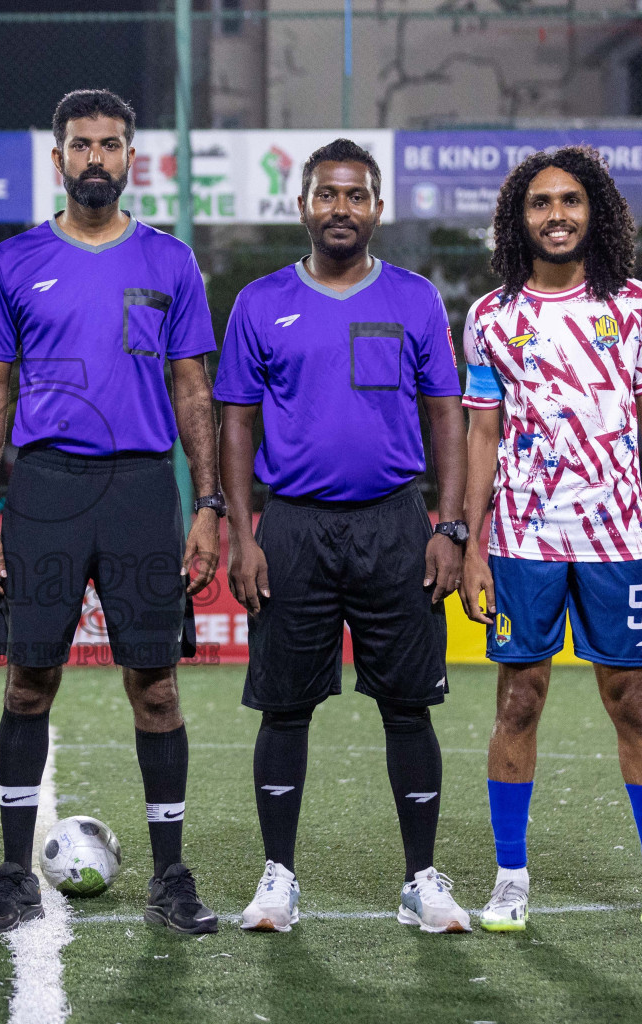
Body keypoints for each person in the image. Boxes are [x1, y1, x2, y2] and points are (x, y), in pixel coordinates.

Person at [0, 89, 222, 935]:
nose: (97, 159)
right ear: (58, 159)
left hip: (144, 490)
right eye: (82, 145)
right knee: (28, 680)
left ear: (129, 158)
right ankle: (10, 875)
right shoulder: (14, 260)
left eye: (111, 145)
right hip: (43, 491)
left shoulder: (171, 262)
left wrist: (208, 502)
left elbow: (194, 389)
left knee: (156, 686)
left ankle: (173, 876)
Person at [215, 139, 472, 935]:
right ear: (302, 205)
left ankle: (421, 879)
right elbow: (236, 422)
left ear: (377, 209)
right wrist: (242, 531)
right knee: (284, 710)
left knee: (408, 708)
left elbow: (446, 418)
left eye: (356, 196)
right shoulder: (260, 302)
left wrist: (451, 526)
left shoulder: (416, 298)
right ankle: (278, 879)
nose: (341, 209)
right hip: (291, 526)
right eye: (327, 195)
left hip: (397, 523)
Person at [458, 145, 642, 935]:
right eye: (540, 203)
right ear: (517, 219)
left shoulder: (633, 305)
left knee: (632, 700)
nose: (556, 214)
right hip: (525, 541)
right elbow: (483, 435)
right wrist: (471, 542)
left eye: (569, 201)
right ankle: (509, 880)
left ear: (593, 210)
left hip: (617, 540)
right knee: (518, 699)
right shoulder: (492, 319)